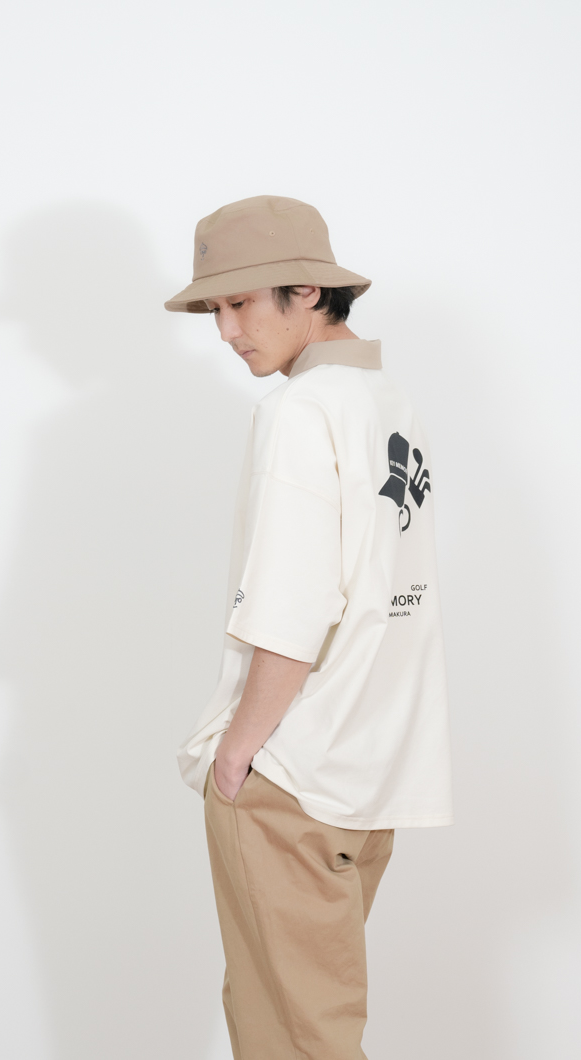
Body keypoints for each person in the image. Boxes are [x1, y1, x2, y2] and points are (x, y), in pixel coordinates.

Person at [165, 195, 453, 1060]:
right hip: (370, 773)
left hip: (293, 776)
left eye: (240, 303)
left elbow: (293, 604)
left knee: (291, 1035)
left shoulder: (302, 410)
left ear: (305, 292)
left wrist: (236, 752)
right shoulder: (387, 400)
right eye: (215, 310)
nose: (226, 331)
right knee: (305, 1024)